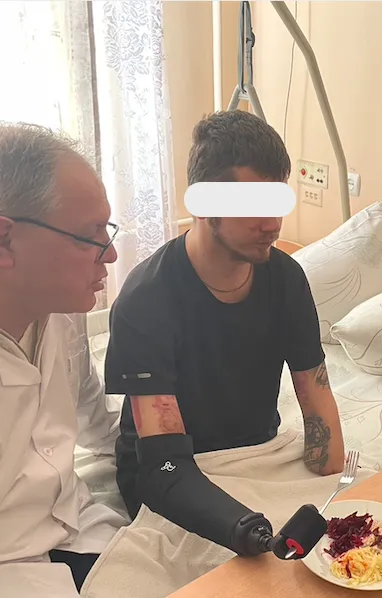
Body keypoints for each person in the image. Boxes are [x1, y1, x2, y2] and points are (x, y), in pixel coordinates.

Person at [103, 110, 345, 557]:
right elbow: (163, 467)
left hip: (258, 455)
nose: (272, 225)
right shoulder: (146, 298)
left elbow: (317, 405)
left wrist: (337, 493)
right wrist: (248, 531)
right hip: (172, 472)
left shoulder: (286, 280)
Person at [0, 122, 128, 596]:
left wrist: (162, 464)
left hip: (75, 523)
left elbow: (95, 417)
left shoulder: (63, 313)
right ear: (5, 241)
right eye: (89, 236)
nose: (110, 255)